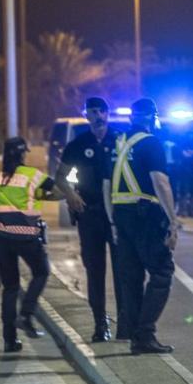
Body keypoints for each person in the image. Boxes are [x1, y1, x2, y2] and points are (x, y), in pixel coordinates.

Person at [105, 98, 179, 355]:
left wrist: (112, 219)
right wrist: (173, 220)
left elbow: (106, 186)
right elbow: (160, 181)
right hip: (144, 214)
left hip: (121, 214)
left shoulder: (116, 144)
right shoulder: (151, 143)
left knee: (131, 277)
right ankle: (145, 333)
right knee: (162, 271)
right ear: (151, 117)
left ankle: (133, 333)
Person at [0, 137, 62, 352]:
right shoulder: (33, 175)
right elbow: (60, 191)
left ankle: (9, 340)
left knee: (11, 287)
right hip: (26, 235)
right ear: (23, 154)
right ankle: (26, 314)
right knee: (42, 272)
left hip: (2, 238)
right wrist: (42, 195)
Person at [54, 97, 124, 342]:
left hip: (116, 215)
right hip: (90, 214)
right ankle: (100, 323)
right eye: (92, 112)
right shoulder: (77, 144)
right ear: (87, 115)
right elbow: (60, 177)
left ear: (107, 113)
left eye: (101, 111)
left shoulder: (120, 140)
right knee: (95, 271)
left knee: (122, 270)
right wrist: (71, 195)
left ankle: (124, 324)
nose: (98, 116)